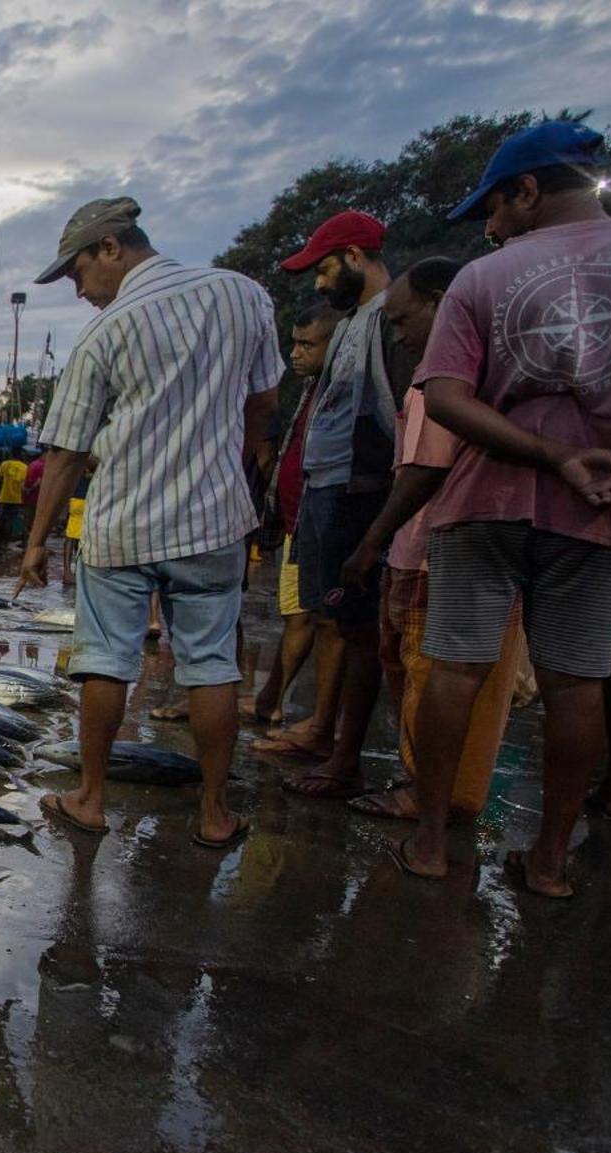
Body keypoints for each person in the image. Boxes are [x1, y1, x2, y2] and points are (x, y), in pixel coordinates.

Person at [397, 121, 611, 896]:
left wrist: (548, 455)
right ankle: (550, 860)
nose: (490, 227)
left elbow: (445, 398)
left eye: (494, 207)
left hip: (483, 502)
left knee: (454, 669)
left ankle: (429, 841)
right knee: (575, 684)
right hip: (606, 509)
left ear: (527, 190)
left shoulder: (483, 279)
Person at [21, 196, 282, 848]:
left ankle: (90, 798)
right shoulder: (243, 295)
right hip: (214, 518)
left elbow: (66, 454)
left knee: (105, 662)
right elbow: (264, 399)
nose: (81, 292)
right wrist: (245, 464)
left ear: (111, 247)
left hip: (122, 524)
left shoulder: (107, 333)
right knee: (212, 663)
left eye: (79, 274)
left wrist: (35, 543)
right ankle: (215, 812)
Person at [339, 257, 529, 823]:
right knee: (416, 675)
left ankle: (429, 794)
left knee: (429, 679)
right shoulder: (469, 378)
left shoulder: (443, 384)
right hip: (422, 552)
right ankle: (430, 788)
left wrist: (371, 541)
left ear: (443, 300)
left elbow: (425, 468)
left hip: (428, 555)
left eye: (403, 320)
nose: (399, 335)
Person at [276, 210, 416, 801]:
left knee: (359, 630)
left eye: (326, 267)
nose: (318, 282)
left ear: (357, 257)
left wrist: (382, 521)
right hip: (326, 489)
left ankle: (345, 758)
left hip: (359, 492)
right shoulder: (355, 320)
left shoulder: (392, 318)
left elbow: (404, 413)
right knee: (334, 618)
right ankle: (325, 735)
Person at [250, 305, 346, 735]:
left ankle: (310, 719)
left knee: (319, 618)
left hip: (318, 519)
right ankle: (272, 697)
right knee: (296, 613)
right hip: (295, 521)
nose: (295, 353)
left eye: (307, 344)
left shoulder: (340, 388)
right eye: (294, 343)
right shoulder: (311, 388)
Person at [0, 449, 30, 555]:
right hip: (16, 498)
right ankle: (5, 544)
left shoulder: (4, 464)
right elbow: (24, 484)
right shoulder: (25, 467)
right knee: (10, 521)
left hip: (3, 497)